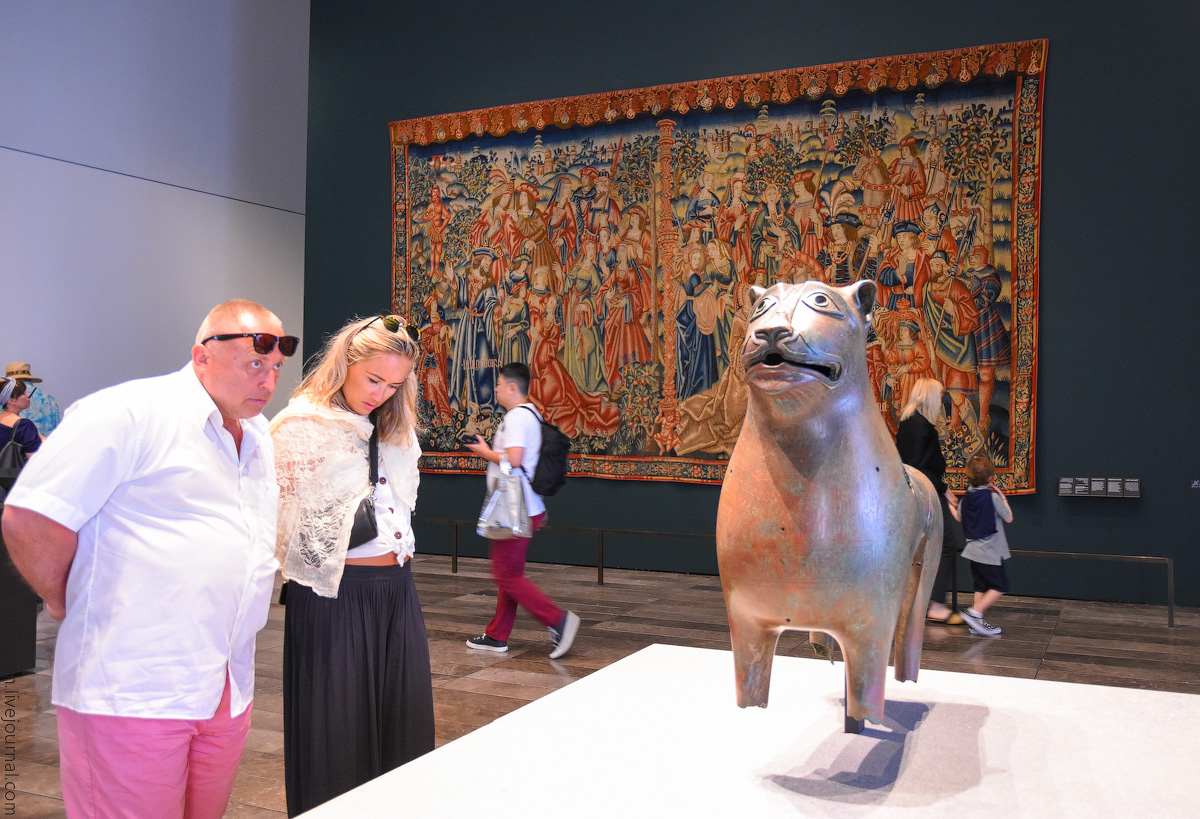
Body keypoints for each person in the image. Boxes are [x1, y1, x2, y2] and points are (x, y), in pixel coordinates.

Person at [1, 299, 294, 819]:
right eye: (255, 364)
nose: (268, 382)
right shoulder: (129, 412)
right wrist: (60, 597)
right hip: (132, 688)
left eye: (275, 369)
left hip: (225, 687)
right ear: (202, 356)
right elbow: (31, 517)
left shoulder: (258, 436)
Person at [270, 313, 434, 815]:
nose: (381, 393)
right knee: (335, 731)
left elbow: (395, 511)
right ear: (346, 363)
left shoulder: (392, 429)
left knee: (403, 727)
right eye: (373, 379)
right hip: (332, 599)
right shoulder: (300, 426)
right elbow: (282, 521)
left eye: (394, 385)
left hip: (395, 591)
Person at [465, 362, 581, 659]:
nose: (498, 389)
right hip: (525, 506)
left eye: (501, 385)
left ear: (513, 387)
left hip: (515, 508)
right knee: (509, 573)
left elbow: (514, 460)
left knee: (505, 575)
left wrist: (483, 451)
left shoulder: (517, 417)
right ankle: (496, 635)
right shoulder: (531, 414)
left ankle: (558, 620)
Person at [893, 377, 964, 625]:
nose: (943, 400)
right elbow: (924, 467)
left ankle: (913, 601)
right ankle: (934, 604)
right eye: (941, 395)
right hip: (927, 494)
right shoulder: (924, 427)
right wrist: (945, 491)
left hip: (908, 494)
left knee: (913, 550)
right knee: (945, 545)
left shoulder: (906, 422)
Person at [948, 455, 1012, 637]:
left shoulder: (967, 497)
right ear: (991, 478)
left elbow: (959, 517)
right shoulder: (993, 498)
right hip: (990, 552)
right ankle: (974, 613)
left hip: (973, 552)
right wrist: (1003, 498)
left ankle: (977, 623)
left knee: (981, 586)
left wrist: (951, 505)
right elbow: (1009, 517)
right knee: (1000, 586)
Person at [6, 361, 61, 436]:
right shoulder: (49, 399)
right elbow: (58, 430)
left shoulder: (8, 399)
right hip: (46, 445)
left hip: (16, 446)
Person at [0, 378, 42, 461]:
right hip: (16, 473)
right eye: (23, 393)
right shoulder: (24, 425)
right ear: (11, 401)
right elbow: (36, 459)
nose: (28, 394)